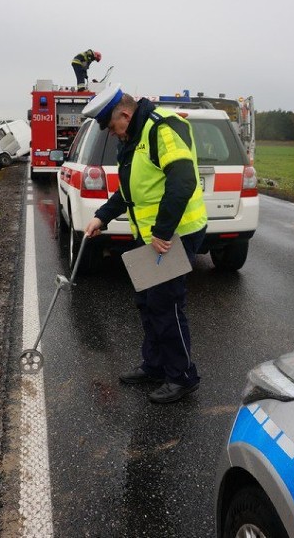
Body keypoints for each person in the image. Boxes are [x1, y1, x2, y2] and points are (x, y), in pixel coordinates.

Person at [82, 84, 207, 404]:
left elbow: (183, 180)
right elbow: (129, 190)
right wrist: (102, 217)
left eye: (112, 126)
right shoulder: (133, 139)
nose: (113, 133)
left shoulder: (160, 129)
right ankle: (155, 365)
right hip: (150, 234)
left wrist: (164, 232)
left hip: (174, 234)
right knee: (148, 303)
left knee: (166, 304)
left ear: (125, 113)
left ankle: (182, 376)